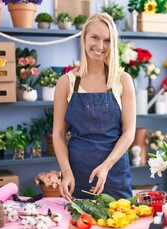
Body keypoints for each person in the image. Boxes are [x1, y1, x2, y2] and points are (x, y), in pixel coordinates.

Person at [53, 12, 136, 200]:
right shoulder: (66, 83)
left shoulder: (122, 80)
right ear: (84, 38)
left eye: (107, 40)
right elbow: (58, 134)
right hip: (76, 174)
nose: (100, 46)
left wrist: (106, 166)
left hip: (114, 176)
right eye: (95, 38)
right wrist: (66, 171)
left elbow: (129, 133)